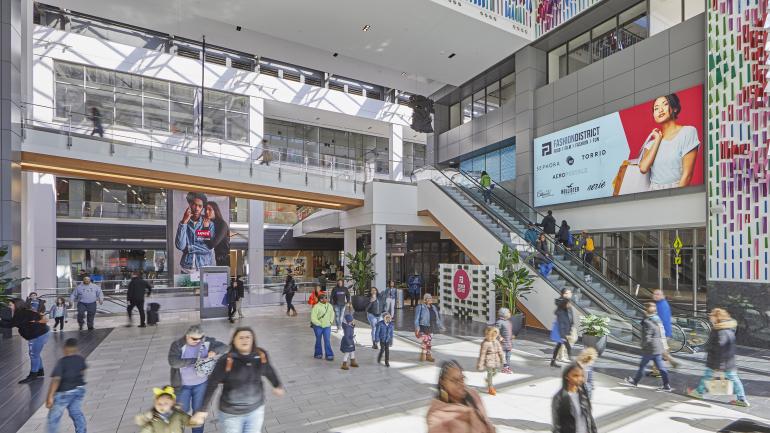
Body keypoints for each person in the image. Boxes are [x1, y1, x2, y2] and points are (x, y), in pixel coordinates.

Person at [192, 327, 285, 432]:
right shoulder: (226, 360)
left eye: (248, 337)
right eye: (240, 338)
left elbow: (268, 370)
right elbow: (212, 384)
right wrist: (202, 410)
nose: (244, 340)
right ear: (234, 341)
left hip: (256, 411)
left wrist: (277, 385)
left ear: (253, 340)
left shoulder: (260, 355)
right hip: (231, 415)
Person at [167, 325, 228, 433]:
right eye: (194, 339)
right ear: (187, 336)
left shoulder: (206, 342)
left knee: (198, 412)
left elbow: (226, 347)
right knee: (181, 412)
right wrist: (196, 361)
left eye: (200, 338)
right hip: (182, 386)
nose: (198, 341)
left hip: (201, 384)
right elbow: (174, 362)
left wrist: (215, 350)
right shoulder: (177, 345)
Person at [688, 308, 749, 407]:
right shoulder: (728, 327)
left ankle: (699, 392)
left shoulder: (720, 331)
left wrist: (719, 367)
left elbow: (721, 349)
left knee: (709, 376)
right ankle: (742, 399)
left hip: (718, 362)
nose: (710, 317)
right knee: (733, 378)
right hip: (728, 361)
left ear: (717, 317)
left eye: (712, 316)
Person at [638, 93, 700, 190]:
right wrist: (657, 140)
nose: (660, 110)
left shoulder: (688, 132)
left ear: (675, 108)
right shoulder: (651, 144)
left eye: (665, 104)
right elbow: (643, 168)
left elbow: (687, 175)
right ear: (654, 115)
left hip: (677, 192)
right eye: (656, 108)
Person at [426, 360, 495, 433]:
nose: (460, 384)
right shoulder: (436, 414)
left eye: (462, 379)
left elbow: (486, 422)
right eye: (454, 380)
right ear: (442, 382)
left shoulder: (473, 395)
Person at [1, 298, 51, 383]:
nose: (9, 307)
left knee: (33, 355)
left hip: (38, 335)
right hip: (41, 333)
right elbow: (13, 321)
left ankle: (33, 375)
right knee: (36, 354)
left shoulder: (21, 314)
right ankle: (40, 371)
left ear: (16, 305)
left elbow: (10, 324)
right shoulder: (23, 312)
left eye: (10, 305)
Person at [624, 303, 672, 391]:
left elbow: (647, 337)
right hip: (658, 348)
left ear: (646, 311)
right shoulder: (657, 320)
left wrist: (643, 346)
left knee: (642, 366)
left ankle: (634, 381)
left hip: (650, 349)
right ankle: (666, 385)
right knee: (661, 368)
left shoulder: (647, 322)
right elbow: (661, 333)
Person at [46, 338, 87, 433]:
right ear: (76, 349)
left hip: (64, 392)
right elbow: (83, 372)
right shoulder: (80, 359)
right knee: (76, 413)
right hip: (79, 390)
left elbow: (56, 380)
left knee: (54, 418)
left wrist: (50, 396)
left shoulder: (62, 362)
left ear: (65, 349)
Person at [175, 192, 216, 274]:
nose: (197, 208)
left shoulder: (208, 224)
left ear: (202, 208)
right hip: (186, 268)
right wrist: (184, 222)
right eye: (194, 205)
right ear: (190, 204)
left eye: (200, 206)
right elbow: (180, 246)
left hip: (204, 267)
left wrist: (189, 248)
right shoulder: (184, 223)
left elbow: (208, 248)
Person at [552, 363, 598, 433]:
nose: (579, 378)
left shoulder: (583, 395)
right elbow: (557, 425)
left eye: (582, 376)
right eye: (575, 376)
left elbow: (590, 417)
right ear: (567, 376)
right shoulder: (559, 398)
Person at [649, 289, 678, 376]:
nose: (655, 296)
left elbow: (662, 320)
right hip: (664, 333)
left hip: (662, 333)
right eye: (654, 294)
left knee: (657, 352)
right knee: (659, 352)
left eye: (658, 294)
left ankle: (659, 370)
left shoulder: (661, 305)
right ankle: (657, 370)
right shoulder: (660, 303)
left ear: (662, 295)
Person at [414, 293, 444, 363]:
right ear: (425, 300)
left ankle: (427, 355)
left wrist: (440, 326)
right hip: (423, 326)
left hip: (431, 326)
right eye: (428, 298)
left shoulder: (434, 307)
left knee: (429, 342)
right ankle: (425, 354)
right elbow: (416, 319)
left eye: (431, 298)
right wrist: (417, 327)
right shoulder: (420, 307)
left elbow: (437, 318)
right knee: (425, 340)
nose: (430, 299)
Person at [477, 326, 505, 395]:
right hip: (489, 361)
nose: (493, 337)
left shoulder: (497, 342)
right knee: (490, 373)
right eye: (491, 336)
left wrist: (503, 359)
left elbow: (500, 351)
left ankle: (487, 380)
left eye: (494, 336)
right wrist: (480, 364)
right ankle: (490, 388)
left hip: (496, 360)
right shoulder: (485, 343)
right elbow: (482, 354)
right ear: (487, 335)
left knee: (495, 372)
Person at [203, 201, 230, 267]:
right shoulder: (212, 223)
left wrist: (205, 228)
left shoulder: (222, 224)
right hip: (219, 259)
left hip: (226, 260)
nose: (207, 211)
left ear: (215, 210)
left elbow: (211, 245)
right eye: (206, 209)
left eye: (210, 209)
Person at [550, 294, 575, 367]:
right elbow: (561, 325)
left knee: (558, 347)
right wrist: (562, 336)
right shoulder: (561, 313)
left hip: (562, 332)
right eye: (569, 303)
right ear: (565, 304)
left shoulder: (565, 310)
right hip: (561, 333)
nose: (570, 304)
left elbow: (568, 322)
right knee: (568, 347)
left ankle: (552, 362)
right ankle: (572, 361)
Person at [310, 293, 335, 360]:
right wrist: (319, 324)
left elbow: (332, 313)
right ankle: (318, 354)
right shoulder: (316, 306)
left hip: (327, 326)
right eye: (325, 298)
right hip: (318, 327)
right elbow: (313, 318)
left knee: (327, 340)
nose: (326, 299)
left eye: (326, 298)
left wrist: (330, 321)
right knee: (318, 340)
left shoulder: (329, 306)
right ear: (321, 299)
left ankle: (329, 354)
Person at [496, 308, 514, 374]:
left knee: (508, 355)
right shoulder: (499, 322)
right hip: (503, 342)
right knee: (502, 355)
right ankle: (505, 367)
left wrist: (512, 335)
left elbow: (509, 330)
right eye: (509, 312)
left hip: (508, 342)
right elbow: (496, 331)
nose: (510, 314)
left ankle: (507, 367)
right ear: (504, 314)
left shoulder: (508, 322)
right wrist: (500, 337)